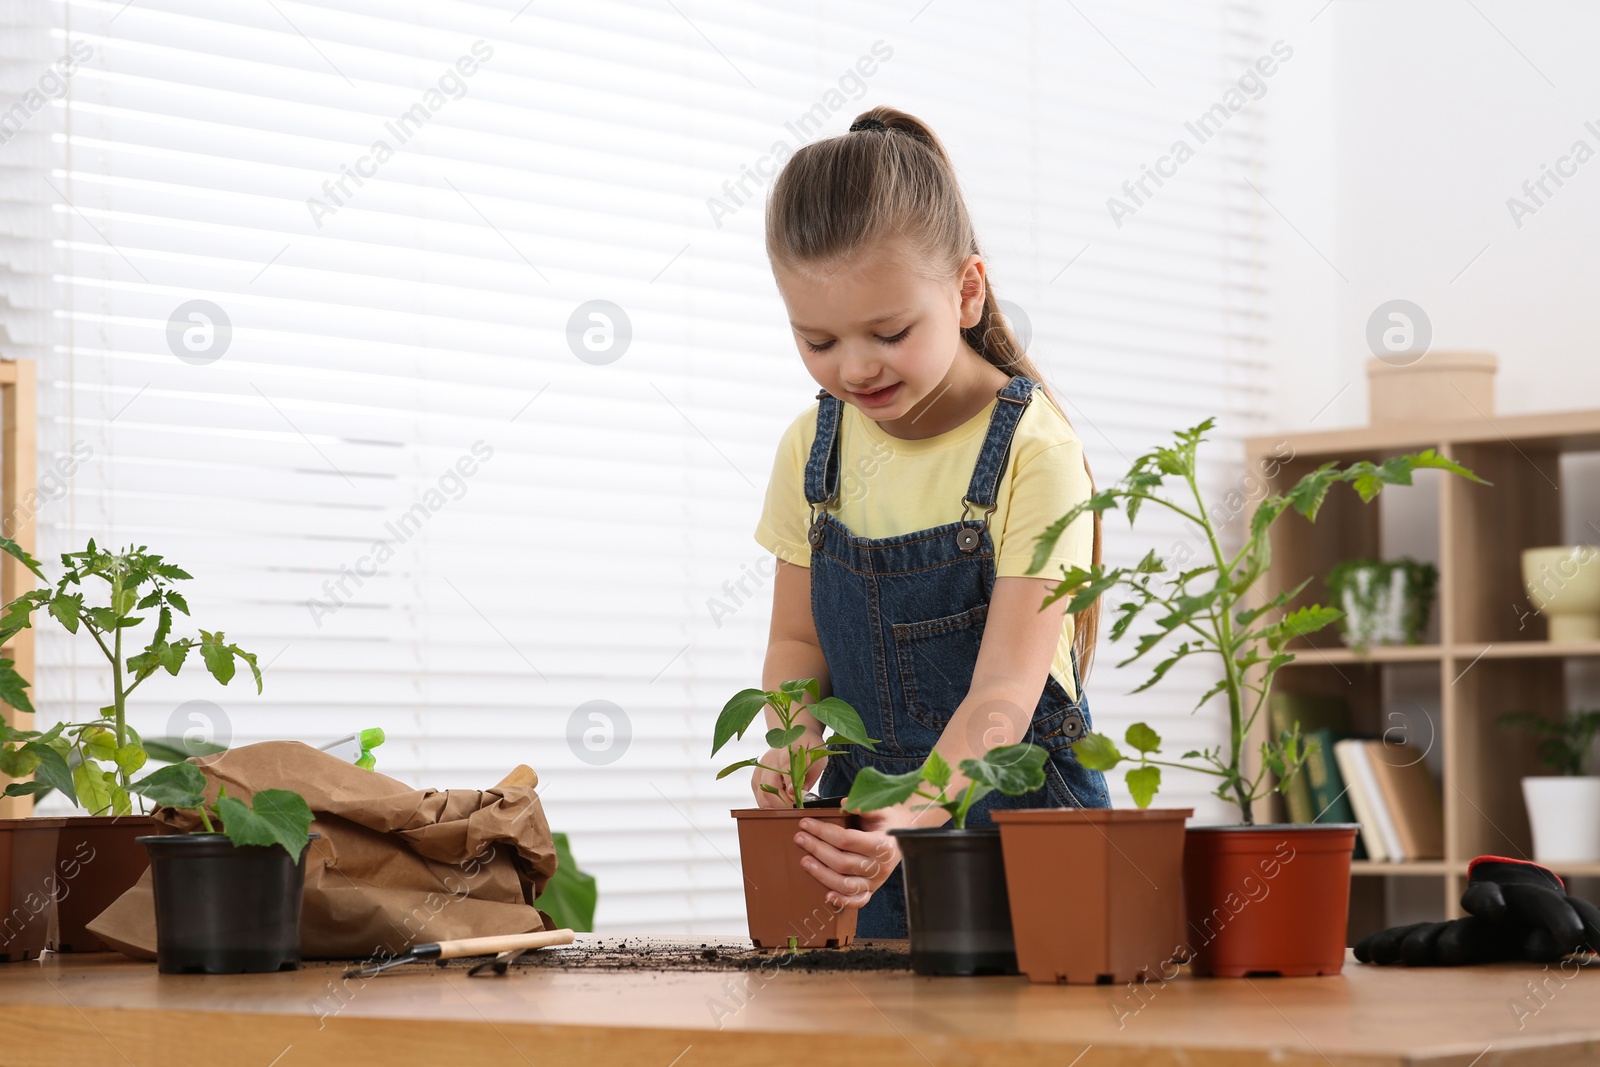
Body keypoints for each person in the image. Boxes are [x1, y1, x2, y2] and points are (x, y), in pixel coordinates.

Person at [749, 105, 1111, 939]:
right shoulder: (814, 446)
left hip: (1019, 825)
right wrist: (790, 749)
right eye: (817, 341)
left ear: (967, 289)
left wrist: (910, 812)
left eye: (888, 332)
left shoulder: (1033, 449)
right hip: (873, 832)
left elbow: (1004, 692)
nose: (854, 367)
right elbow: (800, 645)